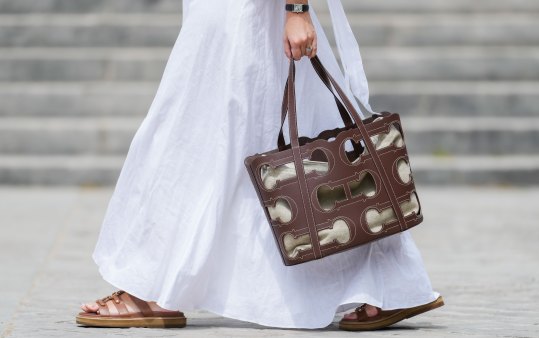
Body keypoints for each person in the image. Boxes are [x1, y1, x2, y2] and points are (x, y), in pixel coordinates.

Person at [76, 0, 443, 331]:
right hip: (226, 17)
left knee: (199, 136)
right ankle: (388, 284)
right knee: (213, 141)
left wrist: (297, 9)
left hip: (251, 16)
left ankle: (153, 287)